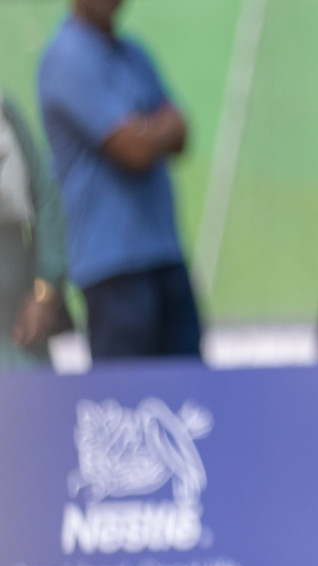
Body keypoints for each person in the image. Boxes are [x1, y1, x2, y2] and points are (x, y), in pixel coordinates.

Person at [37, 0, 200, 361]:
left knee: (191, 398)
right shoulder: (66, 58)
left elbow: (183, 131)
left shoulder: (135, 53)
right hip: (111, 266)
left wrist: (144, 130)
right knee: (125, 402)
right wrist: (154, 129)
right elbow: (134, 152)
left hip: (165, 254)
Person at [0, 91, 68, 369]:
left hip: (19, 320)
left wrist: (44, 290)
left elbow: (45, 197)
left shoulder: (4, 111)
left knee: (36, 406)